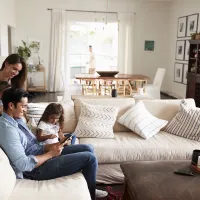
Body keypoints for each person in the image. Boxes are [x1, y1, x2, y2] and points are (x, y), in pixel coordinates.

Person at [0, 88, 108, 200]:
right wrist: (50, 154)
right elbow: (23, 164)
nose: (25, 110)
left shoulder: (17, 120)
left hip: (42, 154)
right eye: (23, 106)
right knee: (90, 158)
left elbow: (33, 145)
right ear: (11, 105)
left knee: (88, 147)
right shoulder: (7, 130)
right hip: (35, 169)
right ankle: (92, 195)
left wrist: (50, 146)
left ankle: (90, 185)